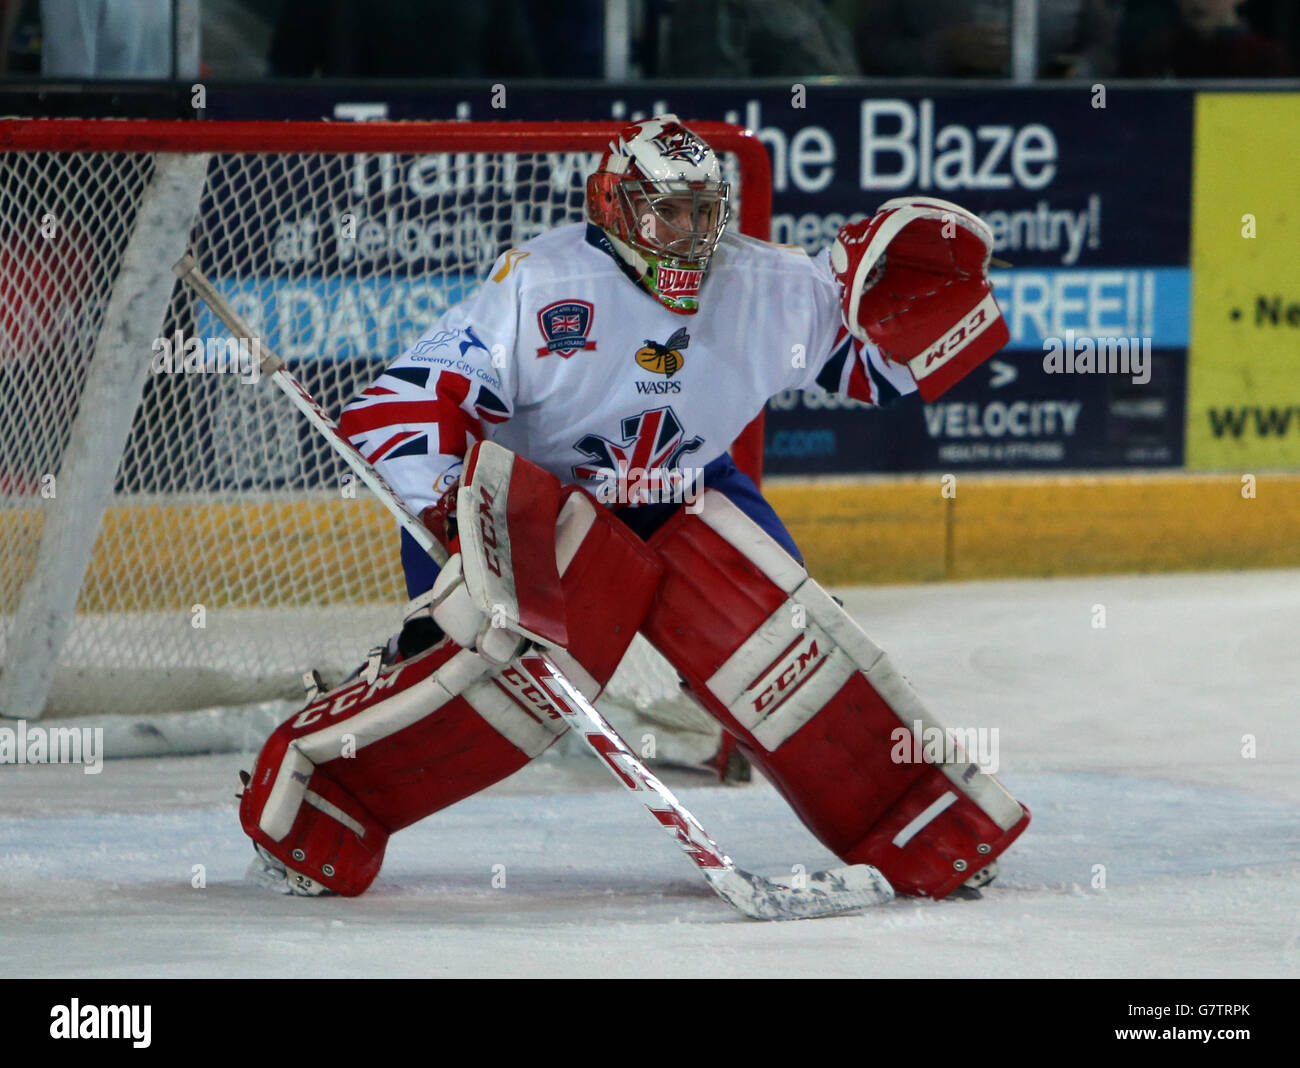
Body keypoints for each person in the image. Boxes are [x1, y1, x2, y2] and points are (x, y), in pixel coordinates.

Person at [237, 116, 1029, 904]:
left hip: (688, 487)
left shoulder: (764, 288)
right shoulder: (542, 287)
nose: (688, 236)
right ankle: (319, 798)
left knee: (794, 652)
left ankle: (919, 825)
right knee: (481, 677)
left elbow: (880, 366)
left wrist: (890, 298)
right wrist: (451, 510)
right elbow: (398, 404)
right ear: (613, 207)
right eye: (666, 212)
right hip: (537, 507)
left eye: (702, 213)